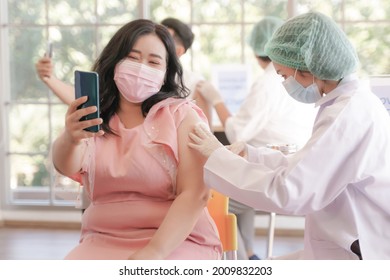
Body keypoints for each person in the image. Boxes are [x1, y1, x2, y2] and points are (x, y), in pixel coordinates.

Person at [188, 11, 390, 260]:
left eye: (284, 76)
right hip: (344, 239)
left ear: (308, 69)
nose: (284, 83)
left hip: (360, 250)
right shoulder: (349, 102)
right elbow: (304, 167)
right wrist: (251, 155)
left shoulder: (347, 114)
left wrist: (218, 157)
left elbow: (290, 191)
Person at [51, 19, 222, 260]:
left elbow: (195, 194)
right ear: (114, 63)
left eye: (153, 61)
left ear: (165, 73)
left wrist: (154, 251)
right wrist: (70, 138)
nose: (141, 68)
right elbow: (65, 165)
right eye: (132, 58)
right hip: (102, 237)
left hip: (176, 241)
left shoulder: (184, 117)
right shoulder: (93, 116)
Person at [195, 16, 317, 260]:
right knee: (237, 190)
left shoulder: (268, 82)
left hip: (281, 171)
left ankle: (238, 263)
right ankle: (249, 255)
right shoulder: (300, 82)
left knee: (216, 198)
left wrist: (217, 99)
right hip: (291, 162)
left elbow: (237, 132)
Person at [35, 18, 213, 126]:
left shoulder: (194, 88)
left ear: (178, 51)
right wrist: (50, 78)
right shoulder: (119, 81)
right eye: (133, 57)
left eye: (164, 36)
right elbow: (86, 102)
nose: (153, 38)